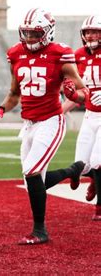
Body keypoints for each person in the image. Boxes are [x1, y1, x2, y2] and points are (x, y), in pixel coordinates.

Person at [0, 8, 88, 244]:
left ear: (48, 32)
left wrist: (74, 95)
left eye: (35, 33)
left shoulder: (60, 53)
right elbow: (14, 93)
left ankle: (40, 231)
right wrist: (1, 109)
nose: (30, 39)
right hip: (29, 124)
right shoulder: (15, 53)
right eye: (27, 33)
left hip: (51, 121)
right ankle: (73, 171)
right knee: (31, 180)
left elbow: (83, 92)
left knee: (32, 172)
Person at [62, 15, 101, 221]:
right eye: (87, 32)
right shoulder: (78, 55)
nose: (90, 35)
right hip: (90, 114)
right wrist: (59, 110)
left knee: (97, 160)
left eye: (95, 31)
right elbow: (79, 94)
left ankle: (99, 207)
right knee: (81, 163)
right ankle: (94, 179)